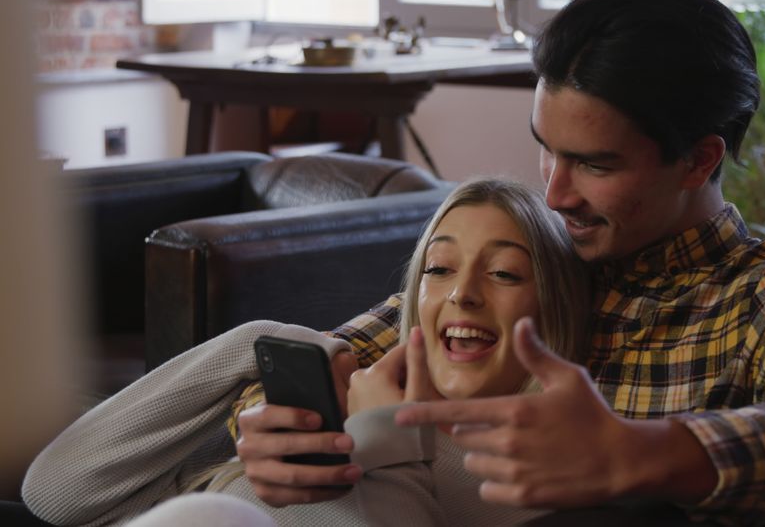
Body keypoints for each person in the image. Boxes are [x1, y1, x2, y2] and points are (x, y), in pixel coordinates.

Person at [233, 0, 765, 525]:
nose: (557, 193)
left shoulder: (764, 291)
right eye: (547, 152)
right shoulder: (530, 247)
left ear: (698, 161)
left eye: (595, 164)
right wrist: (276, 426)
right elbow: (331, 356)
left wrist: (641, 453)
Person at [21, 178, 590, 526]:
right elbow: (53, 493)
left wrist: (388, 444)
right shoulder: (311, 405)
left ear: (551, 310)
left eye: (504, 273)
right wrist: (259, 341)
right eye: (439, 269)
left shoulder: (522, 481)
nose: (463, 293)